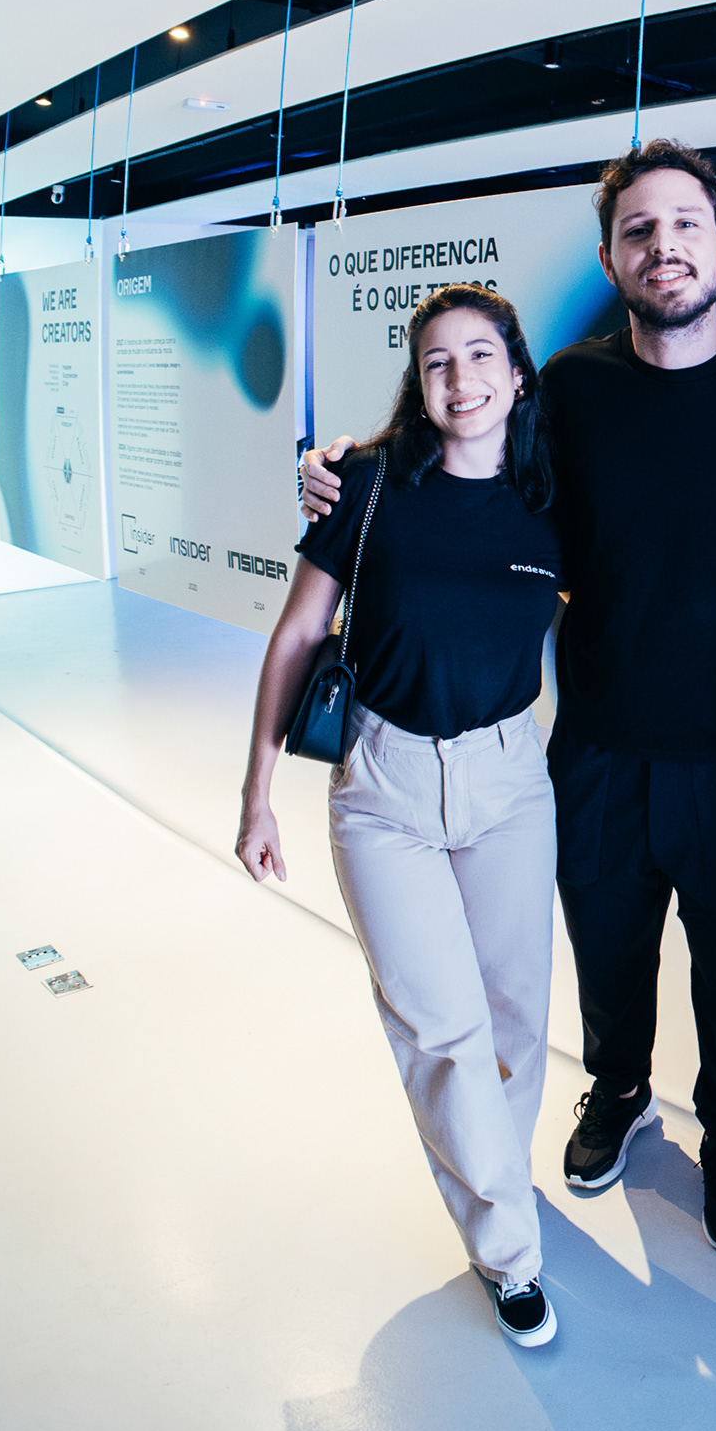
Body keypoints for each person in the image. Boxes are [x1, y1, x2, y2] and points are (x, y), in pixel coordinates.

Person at [301, 140, 716, 1255]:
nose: (664, 247)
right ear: (611, 258)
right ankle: (619, 1091)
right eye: (639, 230)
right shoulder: (572, 388)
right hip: (598, 743)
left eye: (686, 224)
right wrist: (350, 467)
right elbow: (469, 453)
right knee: (607, 951)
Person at [237, 287, 564, 1346]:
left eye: (481, 356)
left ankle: (495, 1176)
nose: (461, 379)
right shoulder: (368, 484)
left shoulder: (551, 493)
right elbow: (297, 637)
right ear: (417, 385)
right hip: (386, 788)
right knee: (441, 1027)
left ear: (518, 373)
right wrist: (256, 794)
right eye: (437, 362)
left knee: (514, 1019)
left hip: (509, 782)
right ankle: (509, 1252)